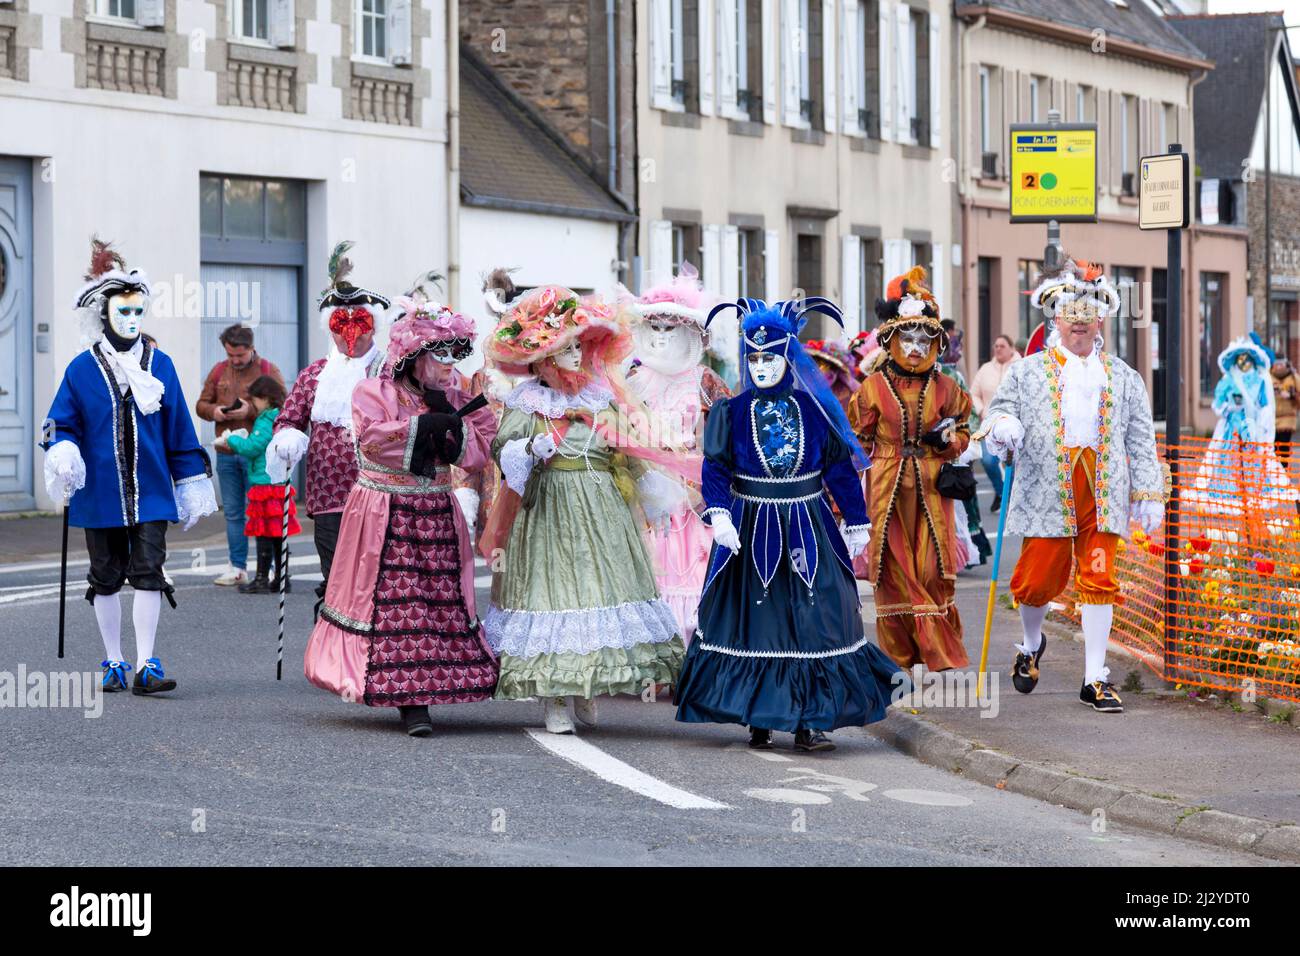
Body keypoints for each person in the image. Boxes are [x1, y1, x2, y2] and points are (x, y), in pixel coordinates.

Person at [674, 296, 903, 753]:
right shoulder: (730, 412)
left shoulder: (815, 410)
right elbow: (715, 468)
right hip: (750, 525)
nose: (760, 366)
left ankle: (810, 721)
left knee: (816, 618)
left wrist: (857, 519)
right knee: (757, 621)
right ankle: (760, 716)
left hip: (808, 525)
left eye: (770, 356)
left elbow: (839, 469)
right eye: (752, 358)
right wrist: (719, 513)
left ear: (786, 356)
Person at [480, 277, 689, 735]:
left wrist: (653, 492)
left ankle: (587, 687)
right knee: (554, 595)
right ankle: (555, 696)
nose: (580, 356)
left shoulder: (601, 399)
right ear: (547, 358)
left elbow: (630, 449)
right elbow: (504, 449)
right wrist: (532, 450)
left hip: (603, 509)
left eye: (581, 348)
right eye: (570, 349)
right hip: (551, 506)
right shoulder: (528, 402)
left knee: (598, 594)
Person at [302, 297, 500, 737]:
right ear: (413, 356)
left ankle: (431, 685)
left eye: (454, 354)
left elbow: (479, 451)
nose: (449, 364)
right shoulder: (374, 393)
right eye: (439, 354)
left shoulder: (459, 398)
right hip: (384, 514)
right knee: (400, 604)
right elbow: (372, 441)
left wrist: (453, 429)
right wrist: (423, 427)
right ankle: (412, 703)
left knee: (437, 603)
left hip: (436, 513)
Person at [980, 257, 1163, 714]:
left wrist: (1149, 491)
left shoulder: (1124, 376)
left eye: (1088, 316)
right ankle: (1030, 641)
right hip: (1047, 487)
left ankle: (1094, 677)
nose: (1079, 324)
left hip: (1102, 491)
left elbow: (1140, 438)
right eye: (1070, 316)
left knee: (1099, 578)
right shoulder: (1026, 371)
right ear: (1056, 318)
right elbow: (997, 412)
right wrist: (1004, 426)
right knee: (1037, 581)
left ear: (1101, 319)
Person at [42, 238, 217, 695]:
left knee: (149, 572)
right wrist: (63, 450)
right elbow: (61, 422)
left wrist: (191, 479)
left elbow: (180, 426)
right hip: (99, 492)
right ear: (104, 314)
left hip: (152, 489)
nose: (133, 320)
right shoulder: (81, 369)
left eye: (139, 311)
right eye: (124, 312)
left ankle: (146, 664)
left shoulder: (161, 364)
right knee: (104, 577)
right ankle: (113, 661)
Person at [848, 267, 973, 673]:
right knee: (891, 568)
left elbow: (965, 434)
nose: (916, 347)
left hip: (934, 489)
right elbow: (855, 442)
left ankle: (936, 651)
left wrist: (950, 441)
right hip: (885, 490)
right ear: (891, 340)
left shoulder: (948, 388)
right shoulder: (870, 389)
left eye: (925, 339)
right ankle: (897, 657)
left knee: (932, 568)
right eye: (908, 338)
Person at [266, 242, 390, 605]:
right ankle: (332, 656)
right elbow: (289, 417)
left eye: (360, 323)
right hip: (329, 499)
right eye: (340, 324)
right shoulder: (314, 375)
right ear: (330, 328)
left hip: (381, 498)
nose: (350, 333)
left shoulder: (390, 371)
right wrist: (287, 437)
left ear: (373, 325)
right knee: (335, 584)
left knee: (376, 583)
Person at [622, 263, 730, 644]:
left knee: (689, 565)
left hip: (692, 493)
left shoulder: (704, 381)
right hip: (646, 490)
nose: (663, 337)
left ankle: (692, 650)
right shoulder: (633, 381)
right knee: (653, 561)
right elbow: (619, 434)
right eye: (656, 328)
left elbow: (726, 437)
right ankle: (657, 653)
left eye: (672, 329)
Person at [196, 324, 284, 587]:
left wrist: (249, 413)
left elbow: (284, 408)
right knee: (233, 513)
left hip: (257, 457)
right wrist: (215, 412)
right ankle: (238, 567)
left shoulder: (269, 370)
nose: (235, 361)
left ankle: (266, 570)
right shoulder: (219, 370)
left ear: (251, 347)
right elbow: (201, 404)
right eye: (230, 355)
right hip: (225, 451)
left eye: (240, 356)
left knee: (263, 514)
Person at [1185, 338, 1300, 514]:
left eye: (1246, 358)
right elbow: (1218, 402)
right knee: (1226, 460)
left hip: (1251, 427)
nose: (1243, 362)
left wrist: (1260, 419)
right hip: (1230, 428)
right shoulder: (1229, 379)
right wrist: (1229, 408)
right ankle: (1226, 496)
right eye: (1240, 358)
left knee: (1252, 460)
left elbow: (1264, 404)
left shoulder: (1259, 380)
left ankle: (1251, 494)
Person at [217, 375, 301, 594]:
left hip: (265, 484)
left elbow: (253, 447)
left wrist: (232, 440)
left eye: (255, 399)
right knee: (277, 534)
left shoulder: (266, 420)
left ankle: (262, 578)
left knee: (263, 533)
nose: (253, 404)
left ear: (265, 398)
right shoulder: (280, 417)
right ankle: (281, 579)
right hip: (278, 482)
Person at [970, 334, 1022, 512]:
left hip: (1014, 425)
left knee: (1014, 464)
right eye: (996, 346)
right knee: (988, 461)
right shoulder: (985, 369)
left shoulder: (1020, 367)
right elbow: (974, 393)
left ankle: (1014, 498)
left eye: (1002, 346)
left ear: (1011, 349)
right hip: (989, 422)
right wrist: (981, 410)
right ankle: (1002, 494)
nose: (998, 349)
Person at [1272, 357, 1300, 464]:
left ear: (1286, 365)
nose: (1279, 367)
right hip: (1272, 419)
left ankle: (1283, 472)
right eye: (1276, 364)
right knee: (1273, 449)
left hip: (1287, 419)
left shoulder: (1293, 378)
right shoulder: (1268, 377)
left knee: (1283, 447)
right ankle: (1275, 473)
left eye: (1281, 364)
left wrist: (1291, 396)